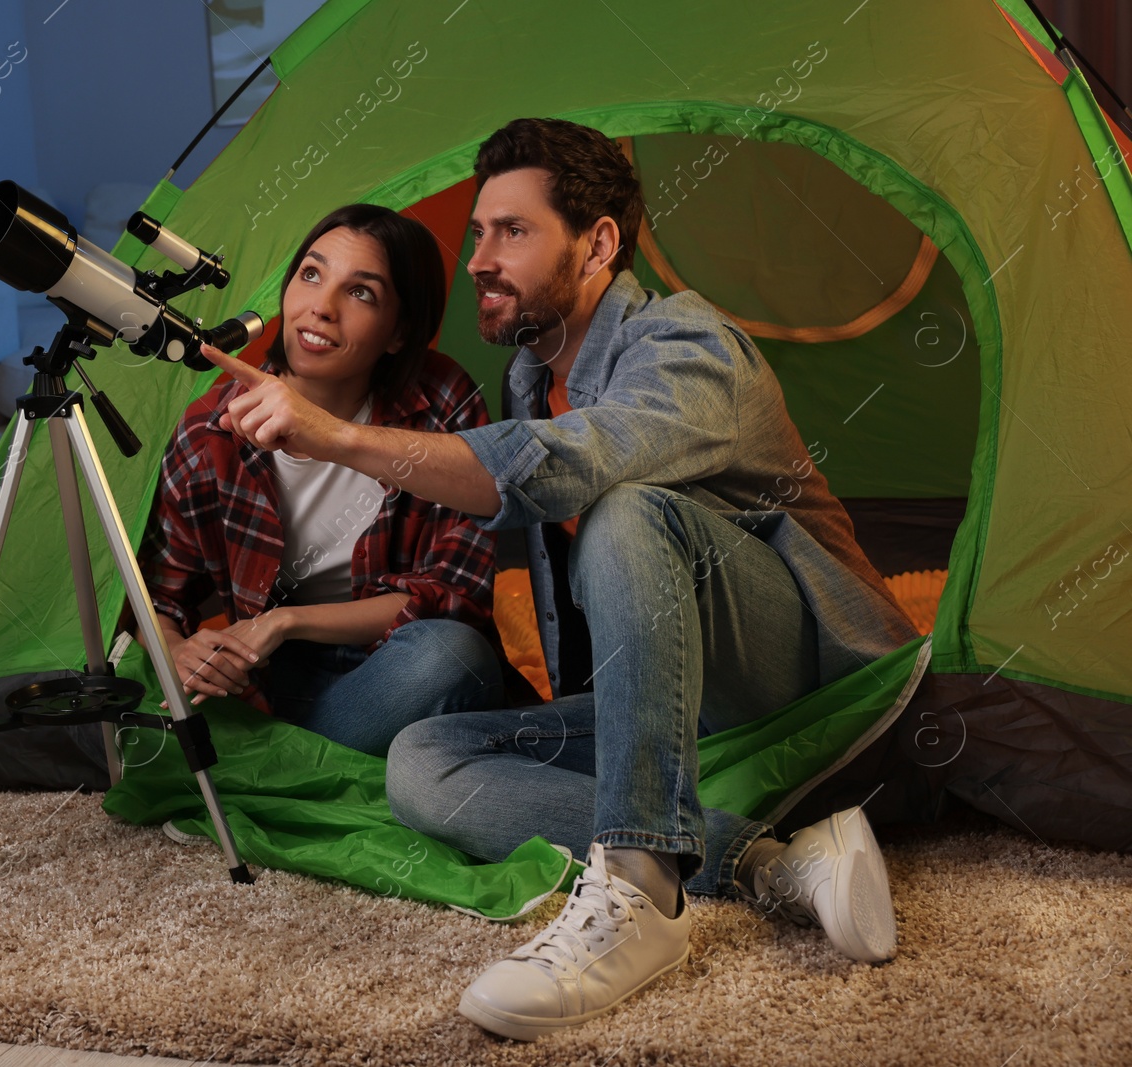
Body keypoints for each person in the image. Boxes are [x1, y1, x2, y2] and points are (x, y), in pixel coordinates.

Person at [200, 118, 923, 1039]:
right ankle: (770, 865)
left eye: (513, 231)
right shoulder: (528, 375)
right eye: (475, 234)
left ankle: (640, 892)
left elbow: (564, 463)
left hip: (804, 681)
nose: (478, 260)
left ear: (600, 245)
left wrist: (340, 438)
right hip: (663, 703)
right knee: (425, 765)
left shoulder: (690, 345)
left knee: (628, 504)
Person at [138, 203, 504, 757]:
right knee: (131, 689)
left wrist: (284, 621)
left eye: (361, 293)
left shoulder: (442, 403)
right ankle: (320, 758)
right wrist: (177, 652)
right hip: (269, 677)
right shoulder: (212, 431)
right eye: (311, 275)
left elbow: (454, 597)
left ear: (400, 333)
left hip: (392, 662)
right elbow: (157, 598)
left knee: (450, 655)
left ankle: (282, 762)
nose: (321, 308)